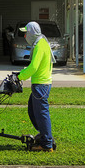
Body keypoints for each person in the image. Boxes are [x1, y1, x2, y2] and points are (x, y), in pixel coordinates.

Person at [17, 21, 55, 152]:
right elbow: (33, 66)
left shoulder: (40, 45)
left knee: (41, 115)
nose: (25, 36)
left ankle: (46, 144)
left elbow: (33, 67)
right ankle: (45, 135)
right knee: (32, 111)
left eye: (26, 33)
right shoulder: (41, 43)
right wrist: (21, 73)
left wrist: (19, 77)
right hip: (40, 85)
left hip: (41, 86)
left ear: (32, 33)